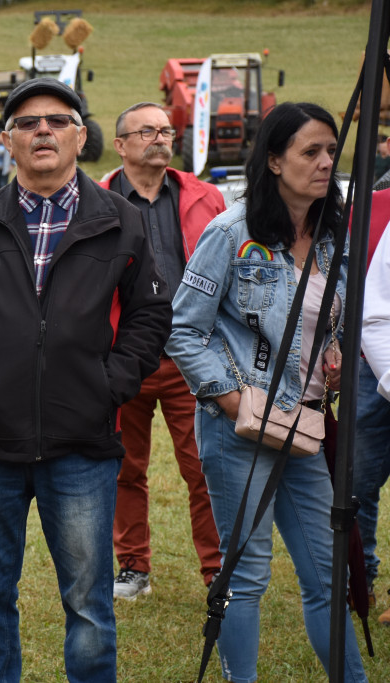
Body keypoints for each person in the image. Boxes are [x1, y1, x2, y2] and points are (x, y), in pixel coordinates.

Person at [0, 77, 171, 682]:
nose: (43, 131)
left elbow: (150, 313)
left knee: (88, 604)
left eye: (57, 121)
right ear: (8, 140)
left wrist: (111, 383)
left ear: (81, 137)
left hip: (83, 445)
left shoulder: (121, 221)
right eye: (28, 122)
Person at [166, 102, 367, 682]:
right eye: (311, 151)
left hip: (304, 428)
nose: (326, 162)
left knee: (329, 576)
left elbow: (324, 322)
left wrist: (330, 356)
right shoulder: (231, 232)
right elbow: (183, 330)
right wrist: (233, 403)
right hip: (241, 430)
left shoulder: (333, 237)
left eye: (332, 150)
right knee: (246, 575)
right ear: (275, 161)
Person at [100, 101, 225, 599]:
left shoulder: (207, 197)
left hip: (191, 356)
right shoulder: (94, 199)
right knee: (124, 468)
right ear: (122, 144)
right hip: (121, 355)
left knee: (205, 468)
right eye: (146, 130)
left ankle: (218, 571)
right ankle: (133, 567)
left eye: (166, 130)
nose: (159, 137)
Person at [360, 193, 390, 624]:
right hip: (374, 363)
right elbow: (376, 312)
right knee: (357, 479)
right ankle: (358, 578)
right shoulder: (366, 206)